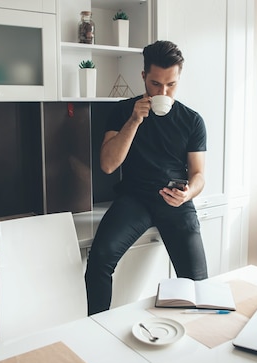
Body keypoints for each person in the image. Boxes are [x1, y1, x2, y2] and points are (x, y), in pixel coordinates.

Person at [84, 40, 208, 315]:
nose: (163, 92)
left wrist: (188, 194)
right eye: (155, 84)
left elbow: (198, 174)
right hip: (135, 200)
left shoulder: (192, 120)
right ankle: (96, 328)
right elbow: (108, 164)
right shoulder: (122, 111)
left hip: (175, 201)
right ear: (143, 77)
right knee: (99, 259)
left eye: (171, 85)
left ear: (178, 78)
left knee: (198, 283)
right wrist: (134, 121)